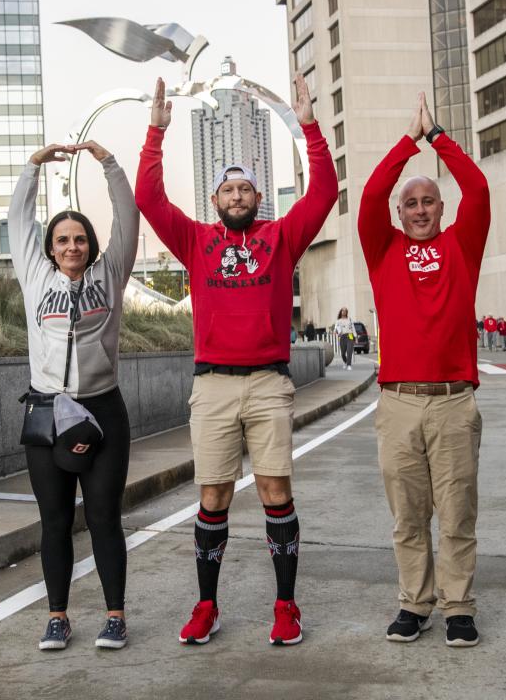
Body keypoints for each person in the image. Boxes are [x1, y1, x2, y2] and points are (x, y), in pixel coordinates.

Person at [135, 74, 336, 646]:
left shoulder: (282, 238)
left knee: (275, 491)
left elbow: (323, 194)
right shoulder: (197, 242)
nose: (238, 197)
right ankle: (206, 606)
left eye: (246, 189)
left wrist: (308, 125)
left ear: (258, 197)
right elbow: (148, 199)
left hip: (269, 383)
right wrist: (156, 131)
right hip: (214, 387)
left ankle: (286, 606)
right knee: (214, 496)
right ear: (217, 201)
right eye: (228, 191)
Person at [360, 93, 490, 648]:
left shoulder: (463, 245)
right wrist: (406, 143)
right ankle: (415, 603)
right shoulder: (382, 249)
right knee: (408, 516)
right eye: (410, 202)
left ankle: (458, 605)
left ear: (441, 209)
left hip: (454, 401)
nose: (418, 209)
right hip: (399, 402)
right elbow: (369, 194)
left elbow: (478, 189)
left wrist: (437, 137)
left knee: (457, 512)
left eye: (428, 201)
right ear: (399, 212)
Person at [9, 140, 139, 651]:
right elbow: (19, 220)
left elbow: (126, 219)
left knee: (105, 517)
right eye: (62, 239)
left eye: (80, 239)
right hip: (47, 414)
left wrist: (110, 165)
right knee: (55, 521)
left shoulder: (111, 273)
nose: (71, 247)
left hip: (103, 410)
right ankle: (58, 617)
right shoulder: (34, 276)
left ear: (91, 244)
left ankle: (115, 616)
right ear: (50, 247)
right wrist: (32, 169)